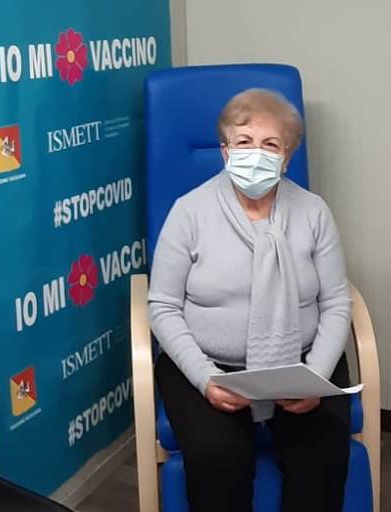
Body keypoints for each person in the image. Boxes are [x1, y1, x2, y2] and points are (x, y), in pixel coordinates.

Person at [148, 88, 352, 512]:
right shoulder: (189, 212)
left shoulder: (314, 212)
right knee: (219, 459)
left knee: (319, 456)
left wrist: (313, 378)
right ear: (225, 152)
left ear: (287, 157)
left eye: (270, 144)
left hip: (300, 362)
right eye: (243, 142)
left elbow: (336, 302)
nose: (256, 153)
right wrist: (205, 378)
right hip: (207, 366)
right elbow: (162, 306)